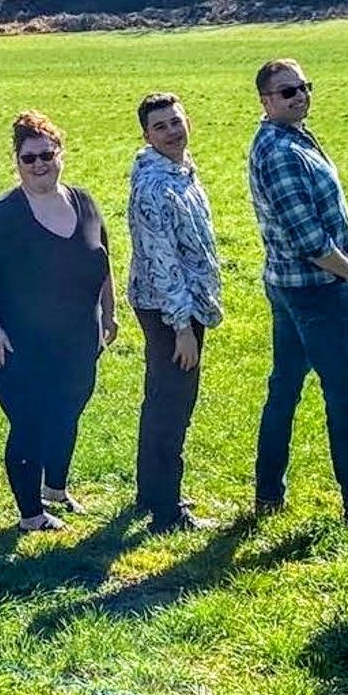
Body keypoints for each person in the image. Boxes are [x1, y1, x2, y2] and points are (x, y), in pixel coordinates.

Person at [246, 59, 348, 525]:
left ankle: (268, 494)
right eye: (287, 91)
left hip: (289, 287)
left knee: (285, 389)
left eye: (303, 87)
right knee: (343, 393)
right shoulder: (281, 151)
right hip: (315, 290)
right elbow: (307, 238)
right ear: (265, 101)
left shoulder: (290, 137)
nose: (299, 97)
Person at [0, 112, 117, 532]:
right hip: (19, 343)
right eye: (29, 157)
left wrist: (111, 310)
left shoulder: (84, 202)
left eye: (46, 155)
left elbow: (103, 260)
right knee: (30, 421)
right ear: (17, 161)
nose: (39, 164)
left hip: (78, 337)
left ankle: (56, 489)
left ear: (60, 155)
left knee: (69, 409)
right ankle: (31, 515)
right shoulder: (0, 215)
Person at [127, 93, 222, 535]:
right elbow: (163, 262)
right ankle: (167, 510)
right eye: (160, 126)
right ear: (146, 135)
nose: (171, 130)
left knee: (161, 399)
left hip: (184, 303)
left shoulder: (183, 171)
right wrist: (182, 327)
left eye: (176, 121)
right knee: (173, 404)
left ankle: (151, 492)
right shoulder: (155, 188)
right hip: (169, 309)